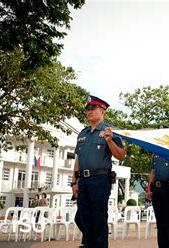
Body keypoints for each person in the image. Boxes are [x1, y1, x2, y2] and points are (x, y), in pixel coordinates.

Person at [71, 95, 126, 248]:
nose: (89, 111)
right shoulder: (82, 133)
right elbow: (78, 159)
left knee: (98, 219)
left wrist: (109, 141)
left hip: (100, 179)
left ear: (103, 111)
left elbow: (121, 155)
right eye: (87, 109)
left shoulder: (110, 131)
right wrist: (74, 182)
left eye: (93, 108)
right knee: (84, 219)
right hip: (83, 181)